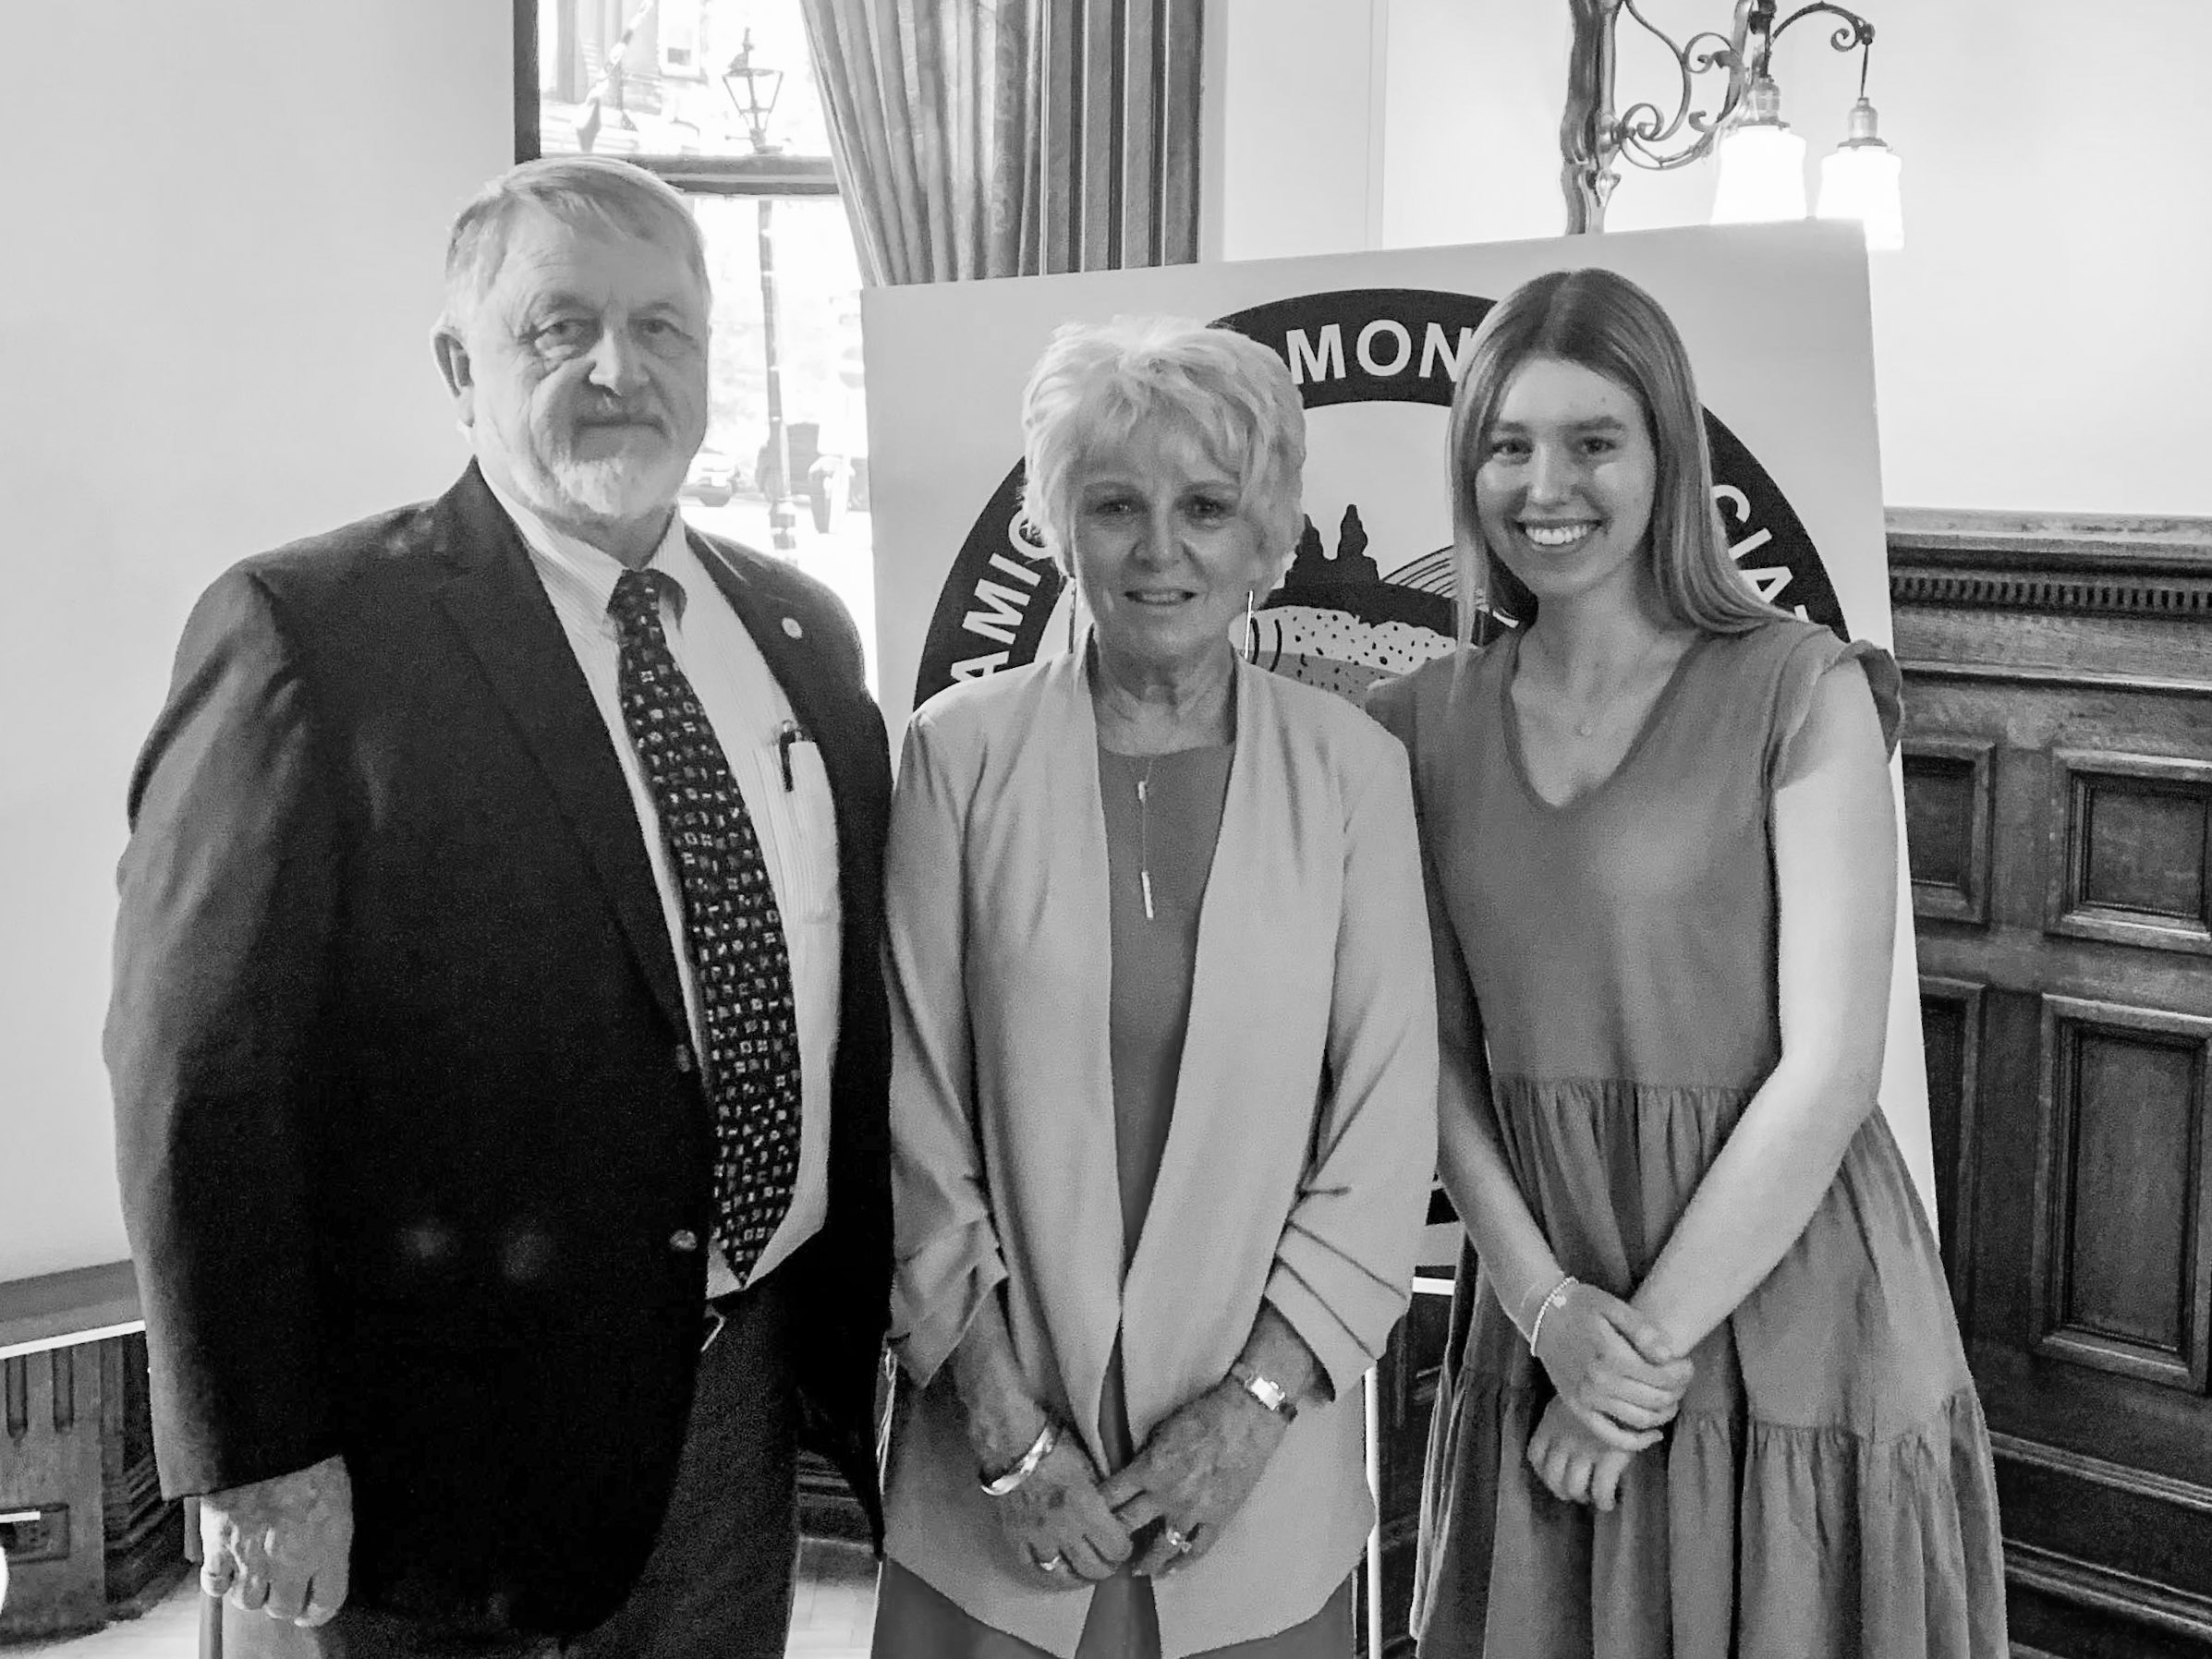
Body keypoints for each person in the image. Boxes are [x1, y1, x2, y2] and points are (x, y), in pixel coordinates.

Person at [105, 155, 893, 1659]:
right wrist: (256, 1452)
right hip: (424, 1452)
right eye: (560, 327)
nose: (620, 368)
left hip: (732, 1396)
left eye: (664, 327)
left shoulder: (796, 633)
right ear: (460, 366)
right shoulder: (312, 633)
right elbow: (195, 1066)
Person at [1368, 266, 2007, 1657]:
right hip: (1549, 1301)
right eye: (1505, 444)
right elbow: (1436, 1057)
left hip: (1784, 1303)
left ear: (1667, 453)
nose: (1546, 483)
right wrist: (1549, 1322)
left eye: (1592, 440)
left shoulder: (1801, 687)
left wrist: (1629, 1364)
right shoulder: (1411, 723)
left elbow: (1830, 1068)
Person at [871, 316, 1439, 1659]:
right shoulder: (957, 757)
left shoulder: (1353, 773)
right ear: (1054, 526)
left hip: (1254, 1487)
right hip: (996, 1489)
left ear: (1273, 539)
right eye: (1113, 505)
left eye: (1205, 507)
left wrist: (1249, 1408)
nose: (1158, 548)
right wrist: (1005, 1435)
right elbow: (910, 1114)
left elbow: (1382, 1128)